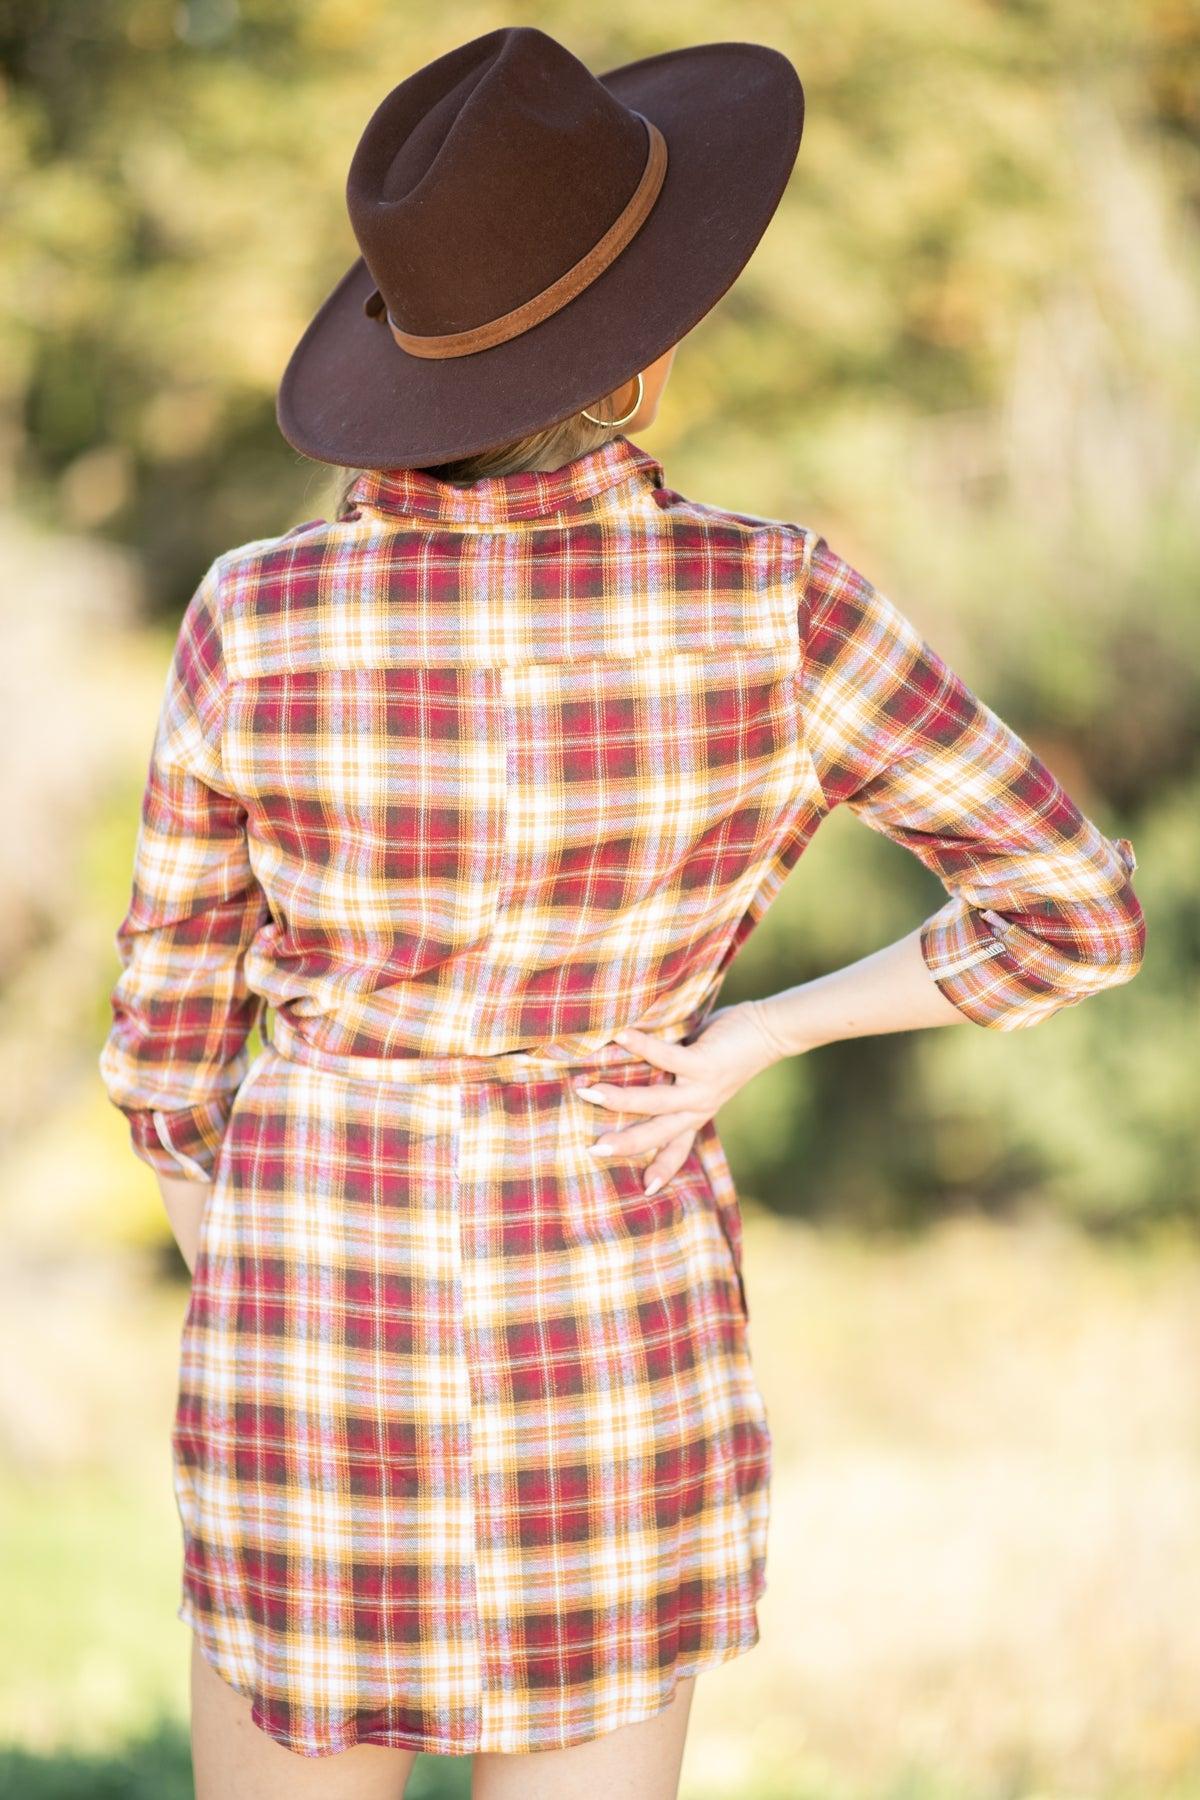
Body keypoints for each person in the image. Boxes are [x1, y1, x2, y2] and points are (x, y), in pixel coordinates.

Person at [98, 25, 1145, 1800]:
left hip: (309, 1314)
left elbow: (166, 1050)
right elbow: (1074, 910)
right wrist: (764, 1030)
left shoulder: (252, 616)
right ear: (642, 363)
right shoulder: (775, 606)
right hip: (607, 1300)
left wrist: (260, 1230)